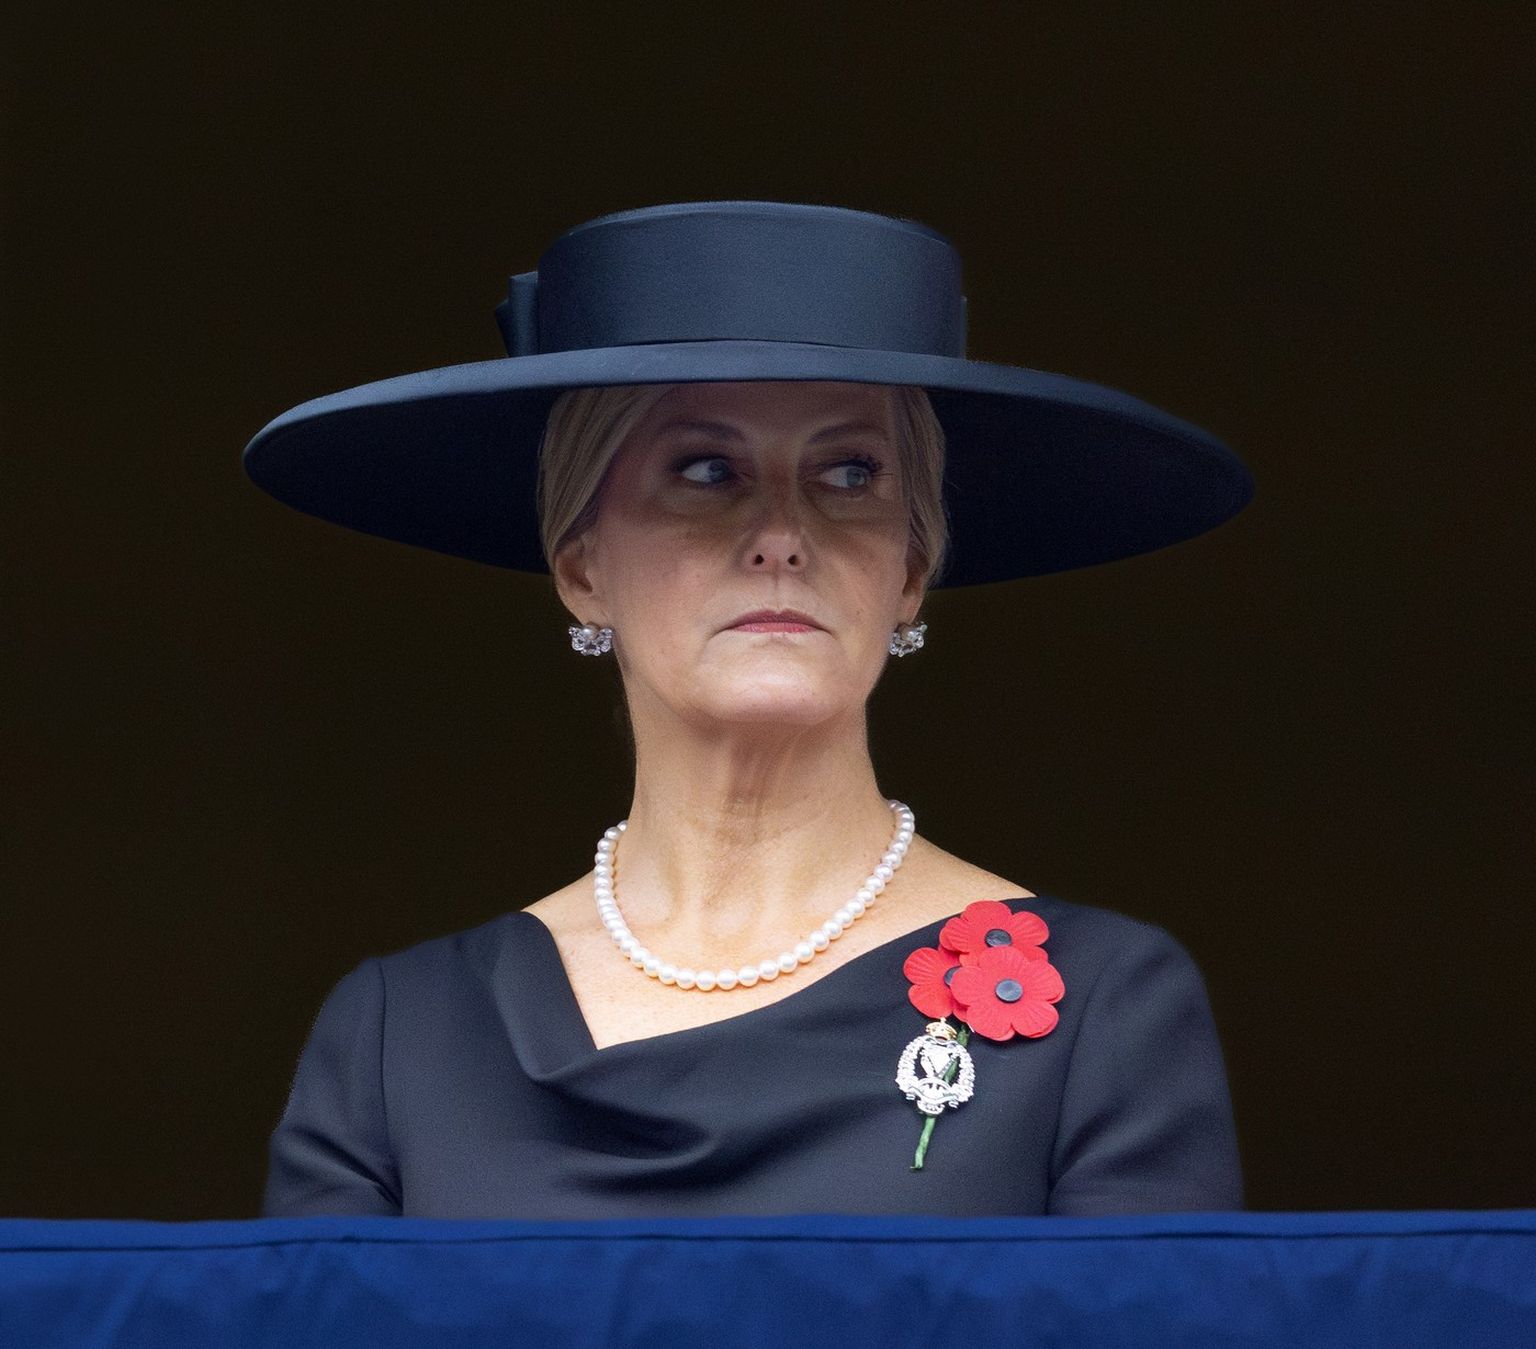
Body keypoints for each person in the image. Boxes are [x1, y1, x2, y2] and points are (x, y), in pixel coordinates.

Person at [243, 200, 1253, 1219]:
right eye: (706, 470)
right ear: (582, 568)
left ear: (910, 571)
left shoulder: (1102, 1008)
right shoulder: (400, 1038)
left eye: (849, 473)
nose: (781, 532)